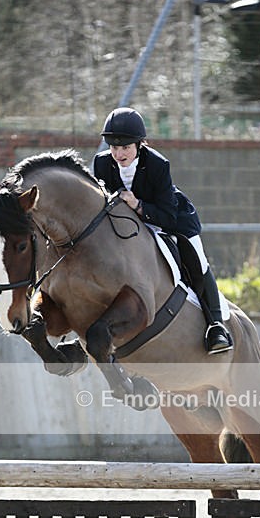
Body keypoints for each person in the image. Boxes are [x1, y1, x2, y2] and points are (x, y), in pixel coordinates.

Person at [92, 107, 233, 354]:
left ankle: (216, 325)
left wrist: (137, 205)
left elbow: (166, 214)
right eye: (113, 147)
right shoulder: (102, 163)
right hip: (127, 226)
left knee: (197, 260)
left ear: (139, 144)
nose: (118, 153)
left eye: (125, 147)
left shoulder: (157, 164)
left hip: (170, 219)